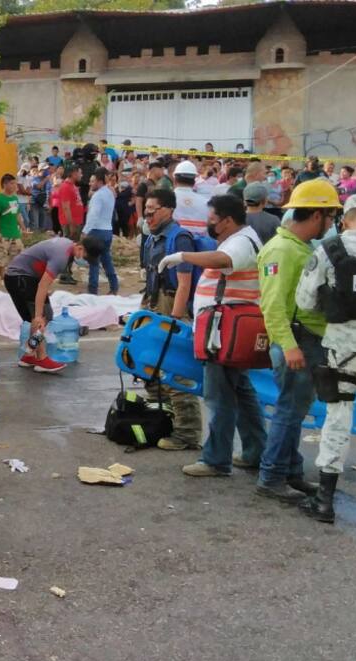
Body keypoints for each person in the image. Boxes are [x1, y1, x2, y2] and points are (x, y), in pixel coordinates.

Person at [158, 195, 267, 477]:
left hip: (224, 331)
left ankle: (216, 460)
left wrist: (183, 257)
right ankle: (256, 450)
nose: (209, 224)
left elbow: (223, 260)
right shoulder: (238, 237)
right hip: (223, 329)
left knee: (219, 398)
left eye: (212, 220)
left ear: (227, 220)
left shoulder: (241, 242)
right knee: (241, 394)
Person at [254, 179, 339, 504]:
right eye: (330, 217)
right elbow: (272, 305)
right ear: (317, 215)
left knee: (294, 409)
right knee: (289, 411)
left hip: (304, 339)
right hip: (296, 340)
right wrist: (288, 345)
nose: (331, 223)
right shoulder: (282, 250)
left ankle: (290, 471)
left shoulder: (299, 248)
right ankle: (272, 476)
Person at [295, 194, 356, 522]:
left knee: (338, 418)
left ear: (344, 220)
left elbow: (304, 300)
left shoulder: (328, 250)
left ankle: (325, 501)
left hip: (344, 350)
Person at [140, 187, 203, 450]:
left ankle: (187, 434)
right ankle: (162, 421)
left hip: (173, 305)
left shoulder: (180, 239)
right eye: (145, 212)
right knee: (149, 365)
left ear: (168, 210)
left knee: (176, 369)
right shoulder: (151, 238)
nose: (147, 217)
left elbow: (184, 284)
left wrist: (174, 321)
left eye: (152, 212)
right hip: (154, 301)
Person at [3, 236, 103, 373]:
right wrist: (39, 315)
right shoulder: (61, 257)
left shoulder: (66, 246)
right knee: (41, 317)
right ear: (80, 248)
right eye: (85, 258)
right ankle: (41, 359)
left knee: (44, 316)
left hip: (19, 277)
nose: (84, 261)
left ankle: (29, 354)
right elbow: (43, 286)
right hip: (20, 277)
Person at [83, 168, 119, 295]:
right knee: (106, 260)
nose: (90, 184)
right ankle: (114, 287)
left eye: (92, 181)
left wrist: (85, 231)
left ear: (99, 181)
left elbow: (93, 215)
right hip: (107, 230)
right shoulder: (110, 193)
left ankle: (92, 291)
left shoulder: (97, 196)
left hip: (96, 231)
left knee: (93, 262)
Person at [0, 174, 25, 278]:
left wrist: (23, 228)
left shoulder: (15, 198)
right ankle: (3, 278)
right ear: (5, 184)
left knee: (18, 256)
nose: (15, 186)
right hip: (4, 234)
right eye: (12, 183)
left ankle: (13, 275)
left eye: (15, 183)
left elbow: (17, 214)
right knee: (1, 257)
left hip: (15, 233)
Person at [172, 160, 210, 236]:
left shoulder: (165, 199)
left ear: (175, 180)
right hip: (199, 246)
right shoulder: (206, 202)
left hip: (171, 244)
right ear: (194, 181)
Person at [55, 165, 84, 243]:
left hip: (76, 221)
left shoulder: (72, 185)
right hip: (70, 223)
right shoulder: (65, 187)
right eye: (80, 173)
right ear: (74, 173)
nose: (81, 175)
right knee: (69, 246)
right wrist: (71, 225)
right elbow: (66, 208)